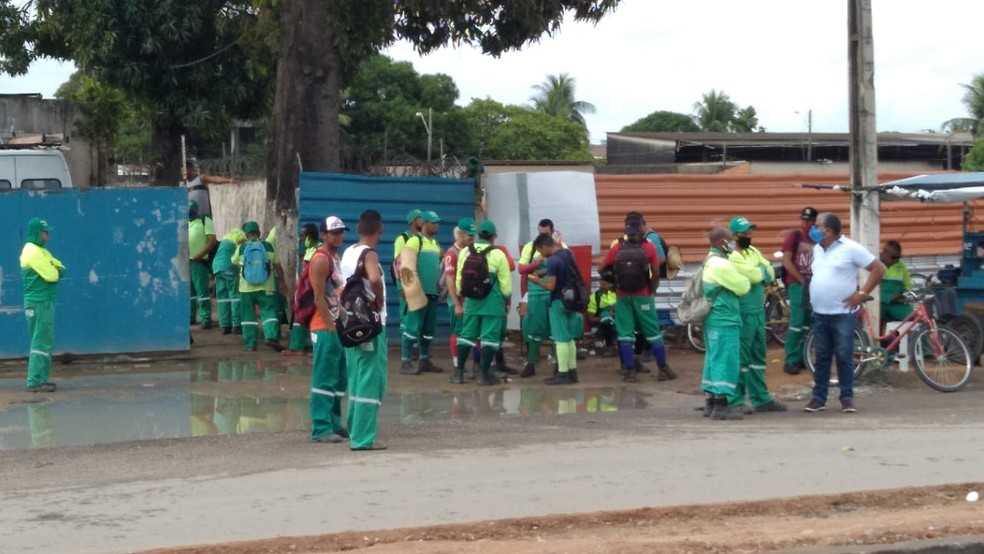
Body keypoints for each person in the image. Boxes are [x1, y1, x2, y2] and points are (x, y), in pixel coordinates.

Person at [805, 212, 886, 414]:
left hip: (842, 313)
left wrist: (861, 293)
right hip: (820, 313)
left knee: (844, 356)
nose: (813, 230)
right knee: (822, 357)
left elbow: (878, 269)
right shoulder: (818, 249)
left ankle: (847, 398)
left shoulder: (850, 248)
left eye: (817, 226)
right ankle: (818, 398)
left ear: (829, 231)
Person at [600, 215, 675, 383]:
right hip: (643, 295)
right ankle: (663, 369)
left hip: (622, 296)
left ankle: (629, 372)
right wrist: (650, 289)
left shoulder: (617, 247)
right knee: (653, 332)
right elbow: (656, 273)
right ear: (641, 228)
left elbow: (601, 268)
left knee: (625, 333)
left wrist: (615, 284)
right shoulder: (648, 247)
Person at [726, 216, 787, 413]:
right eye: (745, 233)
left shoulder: (752, 251)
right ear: (734, 235)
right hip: (742, 312)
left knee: (758, 357)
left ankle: (761, 398)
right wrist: (760, 272)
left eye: (751, 231)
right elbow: (756, 275)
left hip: (757, 312)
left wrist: (760, 272)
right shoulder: (731, 255)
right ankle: (735, 400)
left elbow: (769, 271)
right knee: (741, 358)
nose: (749, 235)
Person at [341, 209, 388, 451]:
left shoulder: (348, 253)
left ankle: (355, 431)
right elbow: (375, 279)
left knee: (357, 379)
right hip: (371, 325)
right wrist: (378, 300)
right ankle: (362, 438)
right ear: (379, 230)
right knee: (372, 381)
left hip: (352, 325)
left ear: (359, 228)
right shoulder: (369, 254)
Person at [454, 220, 513, 386]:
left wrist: (463, 297)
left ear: (479, 235)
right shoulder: (498, 254)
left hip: (472, 301)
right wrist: (506, 300)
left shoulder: (465, 252)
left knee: (467, 335)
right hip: (493, 303)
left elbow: (459, 280)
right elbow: (506, 286)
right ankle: (484, 375)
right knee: (489, 338)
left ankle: (459, 373)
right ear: (493, 236)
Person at [701, 227, 751, 420]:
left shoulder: (709, 261)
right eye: (730, 240)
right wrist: (745, 278)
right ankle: (721, 406)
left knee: (713, 358)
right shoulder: (721, 265)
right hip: (724, 319)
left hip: (713, 318)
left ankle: (711, 402)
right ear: (721, 241)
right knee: (725, 359)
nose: (733, 243)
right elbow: (743, 285)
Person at [307, 216, 349, 443]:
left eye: (341, 232)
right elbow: (317, 298)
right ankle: (321, 428)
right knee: (324, 377)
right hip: (325, 327)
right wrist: (331, 327)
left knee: (340, 377)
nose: (339, 236)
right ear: (324, 235)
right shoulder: (321, 260)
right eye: (334, 233)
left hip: (337, 326)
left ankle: (334, 423)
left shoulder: (336, 258)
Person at [528, 234, 580, 385]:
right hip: (573, 299)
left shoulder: (552, 260)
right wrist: (546, 273)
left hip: (559, 301)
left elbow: (551, 286)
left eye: (539, 250)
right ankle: (572, 372)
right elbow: (564, 272)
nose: (540, 254)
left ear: (544, 246)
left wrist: (538, 281)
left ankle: (562, 373)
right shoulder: (568, 253)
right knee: (569, 338)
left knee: (560, 338)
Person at [20, 218, 64, 393]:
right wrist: (55, 269)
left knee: (43, 341)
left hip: (43, 302)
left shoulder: (41, 251)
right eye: (45, 232)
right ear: (37, 232)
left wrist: (56, 268)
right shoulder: (32, 251)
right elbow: (52, 275)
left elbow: (61, 266)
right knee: (40, 341)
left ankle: (41, 379)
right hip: (39, 302)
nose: (47, 236)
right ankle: (35, 381)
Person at [232, 220, 289, 352]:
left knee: (248, 316)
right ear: (259, 233)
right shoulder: (269, 246)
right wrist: (282, 282)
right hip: (266, 287)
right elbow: (277, 266)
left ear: (246, 235)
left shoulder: (242, 248)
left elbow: (234, 262)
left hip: (246, 289)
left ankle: (250, 344)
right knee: (269, 312)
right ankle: (271, 337)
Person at [518, 218, 563, 378]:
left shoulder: (561, 247)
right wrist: (536, 265)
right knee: (535, 329)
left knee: (556, 330)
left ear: (552, 231)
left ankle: (560, 366)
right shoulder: (531, 247)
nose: (542, 237)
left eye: (546, 233)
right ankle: (531, 363)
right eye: (540, 233)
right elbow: (521, 269)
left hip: (553, 294)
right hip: (536, 294)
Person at [400, 210, 444, 374]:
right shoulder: (414, 242)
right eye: (433, 223)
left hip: (433, 294)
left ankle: (424, 360)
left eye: (437, 222)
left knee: (427, 330)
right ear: (424, 224)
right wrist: (411, 291)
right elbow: (406, 268)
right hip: (419, 294)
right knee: (412, 328)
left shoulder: (436, 244)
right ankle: (405, 362)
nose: (436, 225)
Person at [781, 207, 819, 374]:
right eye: (804, 220)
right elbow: (787, 261)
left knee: (808, 321)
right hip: (797, 284)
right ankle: (790, 359)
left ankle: (803, 357)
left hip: (814, 284)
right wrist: (801, 280)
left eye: (810, 221)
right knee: (797, 320)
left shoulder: (818, 238)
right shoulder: (794, 236)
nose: (807, 223)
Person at [444, 218, 476, 380]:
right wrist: (457, 304)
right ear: (460, 234)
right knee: (458, 333)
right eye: (469, 235)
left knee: (472, 333)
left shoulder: (471, 251)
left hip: (470, 300)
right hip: (458, 300)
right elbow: (450, 281)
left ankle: (474, 366)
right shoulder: (452, 254)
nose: (472, 238)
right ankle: (458, 367)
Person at [284, 223, 322, 355]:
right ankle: (297, 346)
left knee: (308, 318)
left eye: (303, 235)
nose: (301, 238)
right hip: (304, 290)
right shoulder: (310, 250)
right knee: (299, 317)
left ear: (309, 237)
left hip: (312, 291)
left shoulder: (319, 250)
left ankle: (306, 347)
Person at [394, 209, 423, 340]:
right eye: (421, 218)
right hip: (407, 282)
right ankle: (407, 348)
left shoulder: (423, 239)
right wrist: (401, 286)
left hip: (420, 282)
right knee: (406, 314)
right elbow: (398, 263)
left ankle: (416, 343)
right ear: (414, 221)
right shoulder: (402, 239)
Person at [212, 227, 247, 335]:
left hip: (217, 267)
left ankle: (225, 325)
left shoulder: (228, 234)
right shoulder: (241, 236)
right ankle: (237, 325)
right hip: (229, 267)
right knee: (235, 296)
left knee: (223, 297)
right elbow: (241, 255)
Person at [189, 200, 217, 329]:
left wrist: (201, 254)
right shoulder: (185, 223)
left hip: (199, 261)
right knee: (189, 293)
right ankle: (190, 317)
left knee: (201, 290)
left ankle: (205, 318)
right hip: (186, 262)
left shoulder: (205, 220)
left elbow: (212, 240)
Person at [880, 240, 914, 323]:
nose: (896, 260)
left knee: (915, 317)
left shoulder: (901, 266)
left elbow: (908, 286)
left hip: (896, 305)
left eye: (898, 257)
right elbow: (868, 290)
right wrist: (889, 297)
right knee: (872, 319)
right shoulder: (874, 265)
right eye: (894, 257)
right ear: (884, 253)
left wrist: (905, 296)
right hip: (879, 303)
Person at [587, 271, 617, 356]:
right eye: (601, 280)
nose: (602, 282)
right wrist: (606, 317)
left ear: (611, 284)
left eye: (606, 281)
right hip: (606, 324)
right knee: (605, 316)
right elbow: (590, 318)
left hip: (620, 320)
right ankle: (610, 347)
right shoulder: (595, 296)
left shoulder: (618, 294)